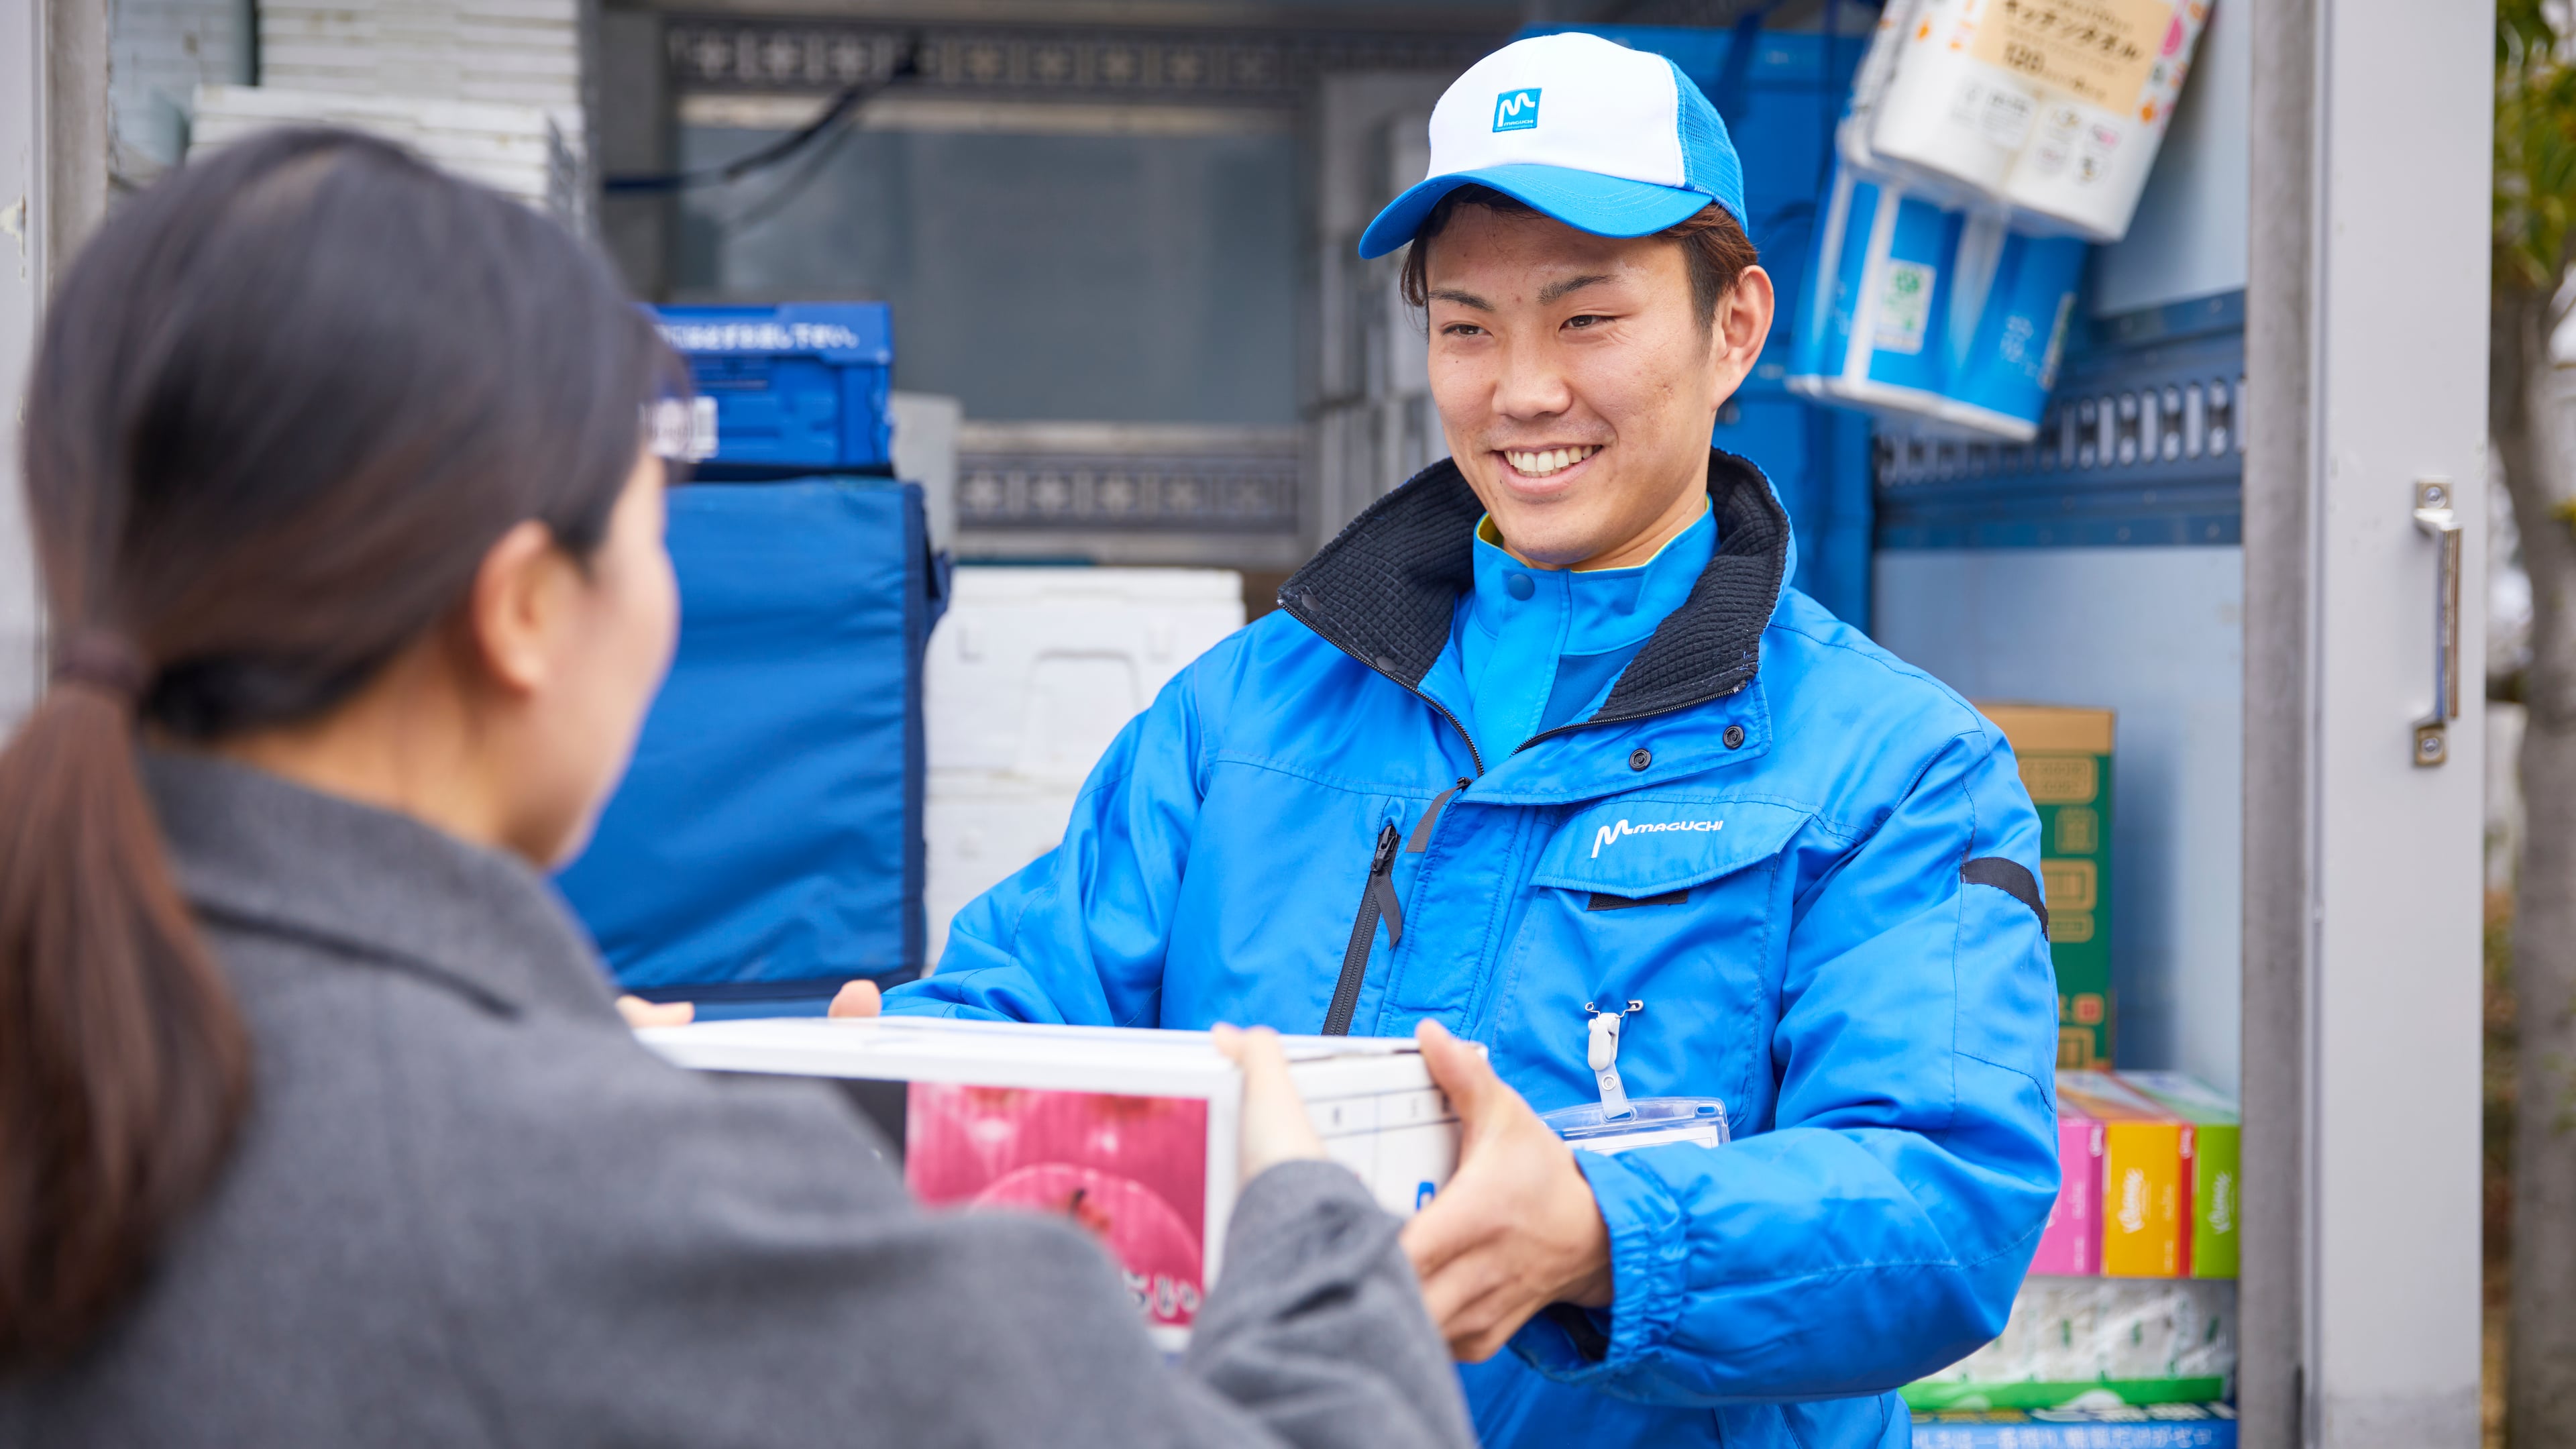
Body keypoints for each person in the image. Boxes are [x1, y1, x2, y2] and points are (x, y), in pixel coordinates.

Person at [0, 128, 1481, 1449]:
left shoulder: (98, 1031)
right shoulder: (607, 1195)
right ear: (522, 610)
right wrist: (1312, 1222)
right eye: (657, 528)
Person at [873, 33, 2063, 1449]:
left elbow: (1946, 1205)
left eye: (1587, 319)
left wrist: (1607, 1238)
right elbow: (1023, 1007)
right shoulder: (1240, 714)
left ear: (1733, 326)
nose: (1521, 391)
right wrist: (873, 1093)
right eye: (1468, 326)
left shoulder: (1895, 768)